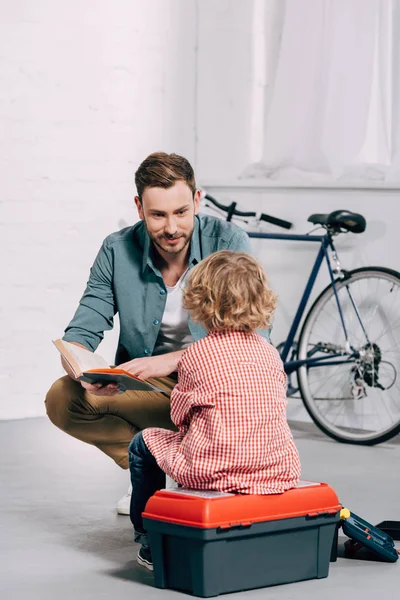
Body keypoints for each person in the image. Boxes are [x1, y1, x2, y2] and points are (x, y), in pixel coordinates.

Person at [45, 152, 270, 514]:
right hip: (153, 389)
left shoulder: (229, 241)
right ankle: (151, 472)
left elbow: (255, 338)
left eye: (181, 212)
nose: (171, 228)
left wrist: (167, 361)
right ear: (139, 208)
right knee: (62, 397)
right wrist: (81, 367)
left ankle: (193, 473)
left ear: (197, 200)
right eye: (158, 215)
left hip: (220, 390)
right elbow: (82, 329)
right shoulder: (117, 250)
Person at [129, 250, 301, 571]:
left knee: (143, 444)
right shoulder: (269, 353)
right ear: (261, 299)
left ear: (199, 302)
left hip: (211, 470)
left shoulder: (195, 354)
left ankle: (147, 536)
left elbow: (180, 416)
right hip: (275, 469)